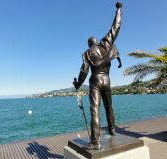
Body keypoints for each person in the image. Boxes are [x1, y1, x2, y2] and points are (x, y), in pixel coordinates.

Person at [73, 2, 122, 150]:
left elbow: (84, 71)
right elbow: (115, 27)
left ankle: (95, 142)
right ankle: (112, 130)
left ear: (89, 44)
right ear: (97, 41)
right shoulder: (107, 45)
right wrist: (119, 9)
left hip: (95, 81)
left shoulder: (87, 53)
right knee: (109, 106)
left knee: (95, 110)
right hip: (107, 80)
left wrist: (78, 84)